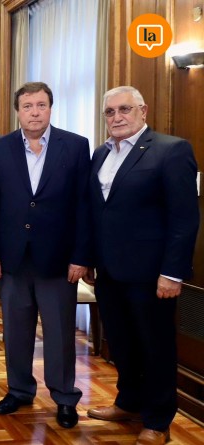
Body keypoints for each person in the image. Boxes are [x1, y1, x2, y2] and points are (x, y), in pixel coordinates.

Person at [86, 86, 198, 445]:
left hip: (152, 275)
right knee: (122, 343)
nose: (116, 117)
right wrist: (90, 260)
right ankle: (128, 402)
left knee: (155, 347)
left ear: (143, 111)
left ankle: (158, 420)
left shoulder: (171, 150)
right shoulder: (101, 153)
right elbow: (97, 213)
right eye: (110, 111)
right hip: (109, 271)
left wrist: (172, 273)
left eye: (125, 109)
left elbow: (184, 219)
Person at [0, 82, 91, 429]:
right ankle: (20, 390)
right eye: (27, 106)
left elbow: (84, 206)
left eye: (41, 105)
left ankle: (64, 397)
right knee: (15, 331)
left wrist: (81, 256)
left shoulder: (75, 146)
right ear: (18, 112)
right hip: (13, 258)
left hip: (58, 260)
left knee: (60, 333)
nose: (35, 112)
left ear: (51, 108)